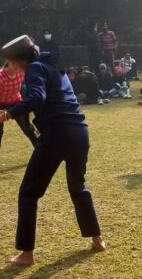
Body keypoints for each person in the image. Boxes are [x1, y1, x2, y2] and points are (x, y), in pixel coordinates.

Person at [0, 35, 105, 266]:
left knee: (28, 193)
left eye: (9, 61)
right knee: (78, 186)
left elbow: (37, 97)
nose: (8, 66)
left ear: (19, 59)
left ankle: (26, 254)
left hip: (57, 133)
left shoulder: (34, 68)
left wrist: (8, 113)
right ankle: (97, 238)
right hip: (79, 132)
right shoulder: (53, 66)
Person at [0, 63, 37, 149]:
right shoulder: (1, 76)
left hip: (16, 102)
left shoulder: (21, 72)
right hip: (0, 104)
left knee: (28, 129)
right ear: (8, 62)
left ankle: (42, 152)